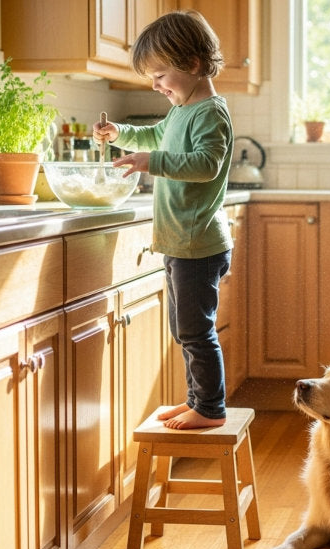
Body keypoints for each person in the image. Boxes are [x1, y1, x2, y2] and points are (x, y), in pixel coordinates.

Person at [94, 10, 234, 430]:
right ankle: (197, 400)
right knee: (185, 330)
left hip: (198, 244)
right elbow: (155, 137)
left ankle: (210, 408)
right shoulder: (181, 110)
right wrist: (119, 134)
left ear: (192, 63)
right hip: (181, 243)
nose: (155, 86)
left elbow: (206, 164)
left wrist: (151, 162)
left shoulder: (210, 112)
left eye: (159, 75)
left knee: (196, 331)